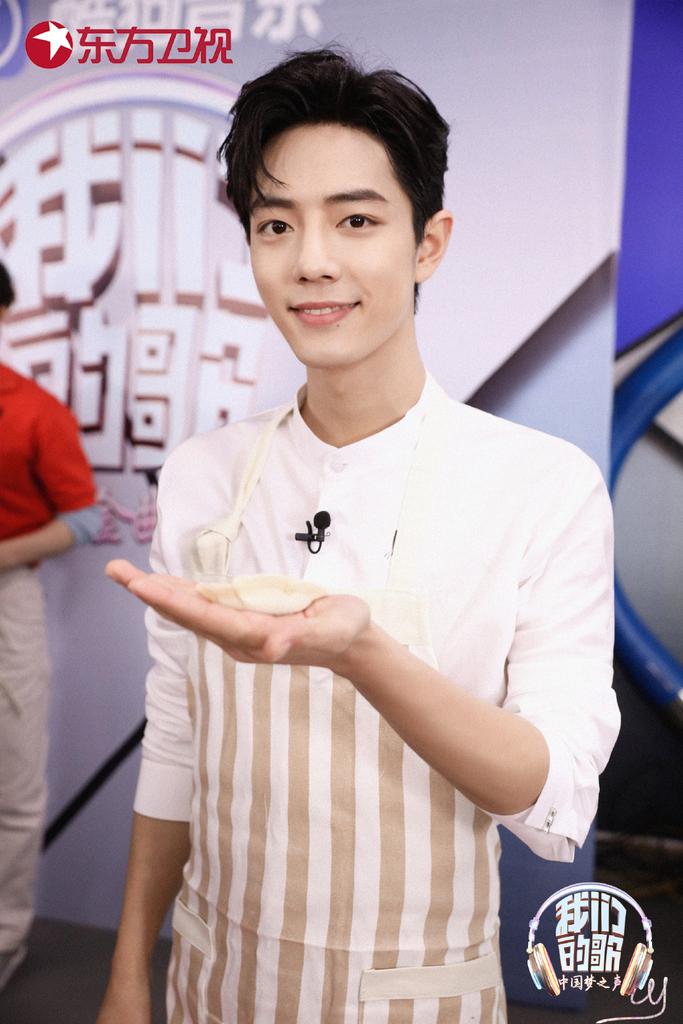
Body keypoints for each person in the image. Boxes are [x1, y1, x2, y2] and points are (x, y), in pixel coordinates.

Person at [98, 48, 621, 1024]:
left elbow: (551, 797)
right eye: (275, 224)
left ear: (427, 243)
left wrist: (364, 654)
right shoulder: (205, 474)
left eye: (355, 220)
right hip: (213, 981)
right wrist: (129, 970)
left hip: (415, 1001)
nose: (311, 261)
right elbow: (175, 743)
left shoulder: (539, 487)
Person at [0, 261, 103, 992]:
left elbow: (85, 519)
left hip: (7, 600)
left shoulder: (34, 409)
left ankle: (3, 939)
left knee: (13, 784)